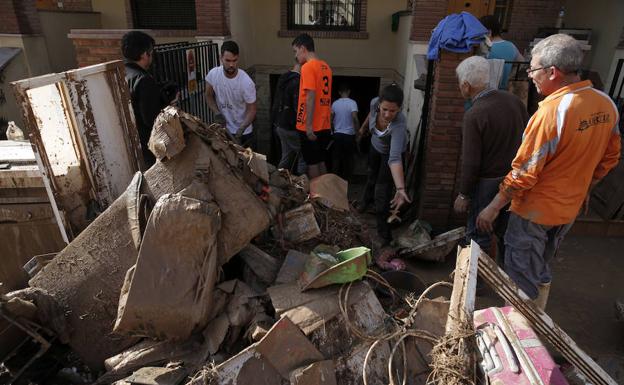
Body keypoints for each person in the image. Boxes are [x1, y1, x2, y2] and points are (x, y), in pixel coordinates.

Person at [476, 34, 621, 310]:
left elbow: (524, 173)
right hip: (567, 210)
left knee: (521, 282)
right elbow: (610, 157)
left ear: (552, 72)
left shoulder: (553, 112)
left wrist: (493, 208)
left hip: (534, 212)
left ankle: (522, 334)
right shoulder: (606, 105)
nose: (530, 75)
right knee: (540, 266)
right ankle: (537, 316)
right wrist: (586, 186)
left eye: (533, 69)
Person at [453, 56, 528, 260]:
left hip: (487, 184)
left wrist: (464, 194)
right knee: (506, 233)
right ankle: (506, 278)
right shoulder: (514, 101)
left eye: (460, 84)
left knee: (479, 234)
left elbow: (471, 162)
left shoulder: (475, 114)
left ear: (467, 86)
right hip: (514, 180)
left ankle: (474, 283)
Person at [356, 84, 411, 246]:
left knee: (382, 192)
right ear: (379, 104)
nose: (387, 115)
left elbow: (394, 158)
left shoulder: (399, 125)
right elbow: (370, 114)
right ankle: (365, 202)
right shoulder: (374, 103)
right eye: (384, 109)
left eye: (392, 111)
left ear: (399, 109)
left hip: (391, 154)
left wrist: (400, 189)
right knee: (371, 176)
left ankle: (384, 235)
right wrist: (363, 128)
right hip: (375, 146)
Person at [122, 31, 167, 168]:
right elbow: (151, 119)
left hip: (130, 143)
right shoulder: (144, 80)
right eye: (151, 52)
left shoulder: (123, 73)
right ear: (144, 54)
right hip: (148, 147)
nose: (152, 56)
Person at [292, 33, 333, 178]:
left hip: (310, 126)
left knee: (312, 163)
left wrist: (308, 127)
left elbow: (311, 96)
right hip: (324, 125)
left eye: (296, 51)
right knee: (321, 161)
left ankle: (317, 198)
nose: (296, 56)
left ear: (303, 48)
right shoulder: (326, 67)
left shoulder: (307, 67)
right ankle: (327, 195)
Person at [205, 40, 257, 148]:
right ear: (221, 58)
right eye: (227, 60)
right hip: (224, 130)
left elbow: (252, 109)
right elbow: (208, 95)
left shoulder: (246, 82)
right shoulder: (213, 74)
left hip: (244, 133)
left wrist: (241, 129)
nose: (231, 64)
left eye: (235, 60)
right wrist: (217, 112)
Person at [271, 62, 306, 174]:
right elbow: (298, 107)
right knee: (304, 155)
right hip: (291, 126)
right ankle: (302, 185)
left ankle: (278, 179)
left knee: (286, 155)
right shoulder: (297, 82)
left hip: (280, 124)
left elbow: (277, 102)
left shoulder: (284, 78)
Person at [479, 15, 524, 90]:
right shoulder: (511, 45)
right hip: (502, 89)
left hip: (484, 90)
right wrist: (509, 76)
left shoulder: (483, 46)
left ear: (488, 31)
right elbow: (521, 62)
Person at [331, 83, 359, 181]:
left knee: (336, 157)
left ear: (339, 92)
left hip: (337, 134)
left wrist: (332, 130)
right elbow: (355, 118)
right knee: (349, 157)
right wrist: (358, 132)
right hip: (349, 135)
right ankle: (348, 179)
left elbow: (331, 119)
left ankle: (334, 178)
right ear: (349, 91)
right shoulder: (352, 103)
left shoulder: (335, 103)